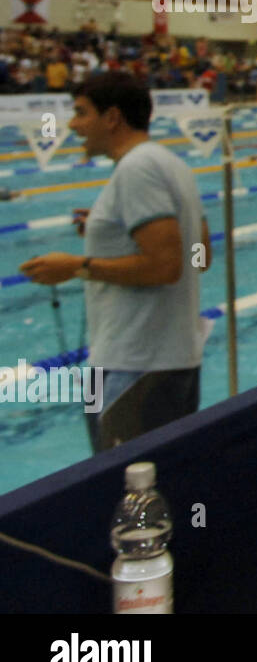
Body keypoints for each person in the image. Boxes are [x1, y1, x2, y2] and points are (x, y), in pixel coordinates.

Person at [18, 72, 210, 451]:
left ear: (112, 118)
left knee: (125, 494)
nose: (73, 125)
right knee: (163, 485)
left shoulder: (137, 169)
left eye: (81, 113)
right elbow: (200, 253)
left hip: (133, 364)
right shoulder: (172, 163)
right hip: (173, 359)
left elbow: (165, 266)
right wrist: (111, 230)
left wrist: (75, 266)